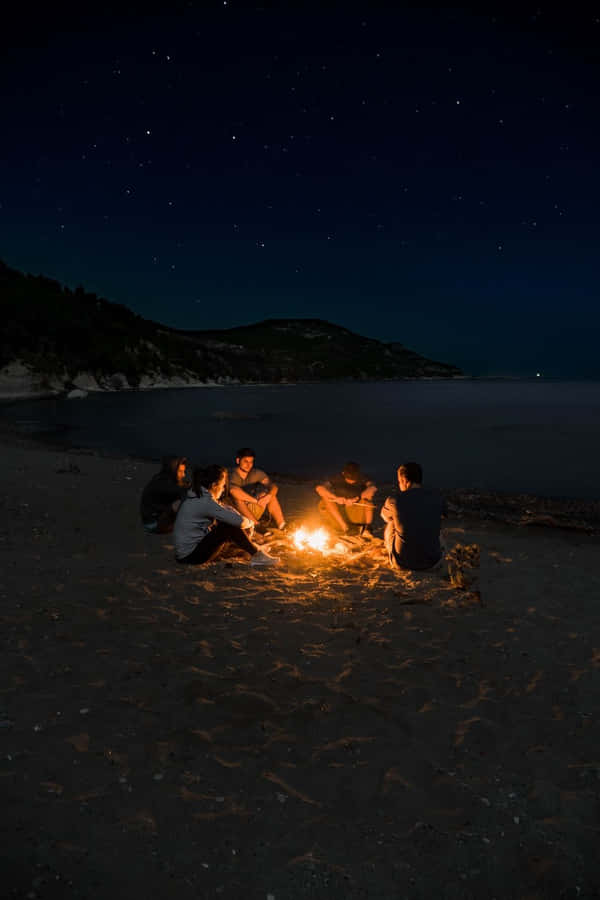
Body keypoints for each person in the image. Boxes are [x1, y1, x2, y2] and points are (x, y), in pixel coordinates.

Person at [174, 464, 279, 567]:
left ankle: (253, 548)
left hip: (186, 552)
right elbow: (239, 522)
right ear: (214, 485)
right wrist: (250, 523)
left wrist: (232, 512)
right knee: (228, 526)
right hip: (190, 556)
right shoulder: (206, 502)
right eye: (222, 485)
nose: (224, 489)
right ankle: (257, 555)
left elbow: (223, 508)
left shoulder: (198, 494)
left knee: (228, 530)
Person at [380, 461, 447, 571]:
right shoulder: (437, 497)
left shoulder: (394, 500)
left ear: (404, 480)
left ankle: (394, 552)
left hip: (402, 563)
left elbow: (384, 517)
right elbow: (443, 515)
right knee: (436, 527)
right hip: (433, 563)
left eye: (399, 482)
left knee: (392, 523)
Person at [228, 447, 287, 533]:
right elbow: (233, 491)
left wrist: (268, 496)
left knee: (270, 495)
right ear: (238, 461)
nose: (249, 465)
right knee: (237, 499)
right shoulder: (231, 475)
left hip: (252, 510)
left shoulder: (256, 473)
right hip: (237, 514)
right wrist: (256, 501)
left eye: (251, 462)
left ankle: (282, 525)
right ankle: (256, 526)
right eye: (245, 461)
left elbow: (273, 486)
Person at [315, 461, 377, 539]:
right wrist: (335, 498)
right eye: (348, 477)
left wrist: (356, 498)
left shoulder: (362, 478)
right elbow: (320, 488)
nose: (351, 480)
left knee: (368, 498)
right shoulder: (337, 478)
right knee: (325, 497)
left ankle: (367, 528)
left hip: (356, 509)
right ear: (343, 473)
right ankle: (344, 527)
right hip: (339, 508)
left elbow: (373, 488)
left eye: (353, 477)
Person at [140, 455, 189, 534]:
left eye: (183, 471)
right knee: (182, 502)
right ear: (172, 470)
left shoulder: (164, 480)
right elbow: (177, 491)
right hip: (153, 525)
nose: (183, 475)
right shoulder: (161, 483)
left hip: (157, 521)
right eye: (180, 471)